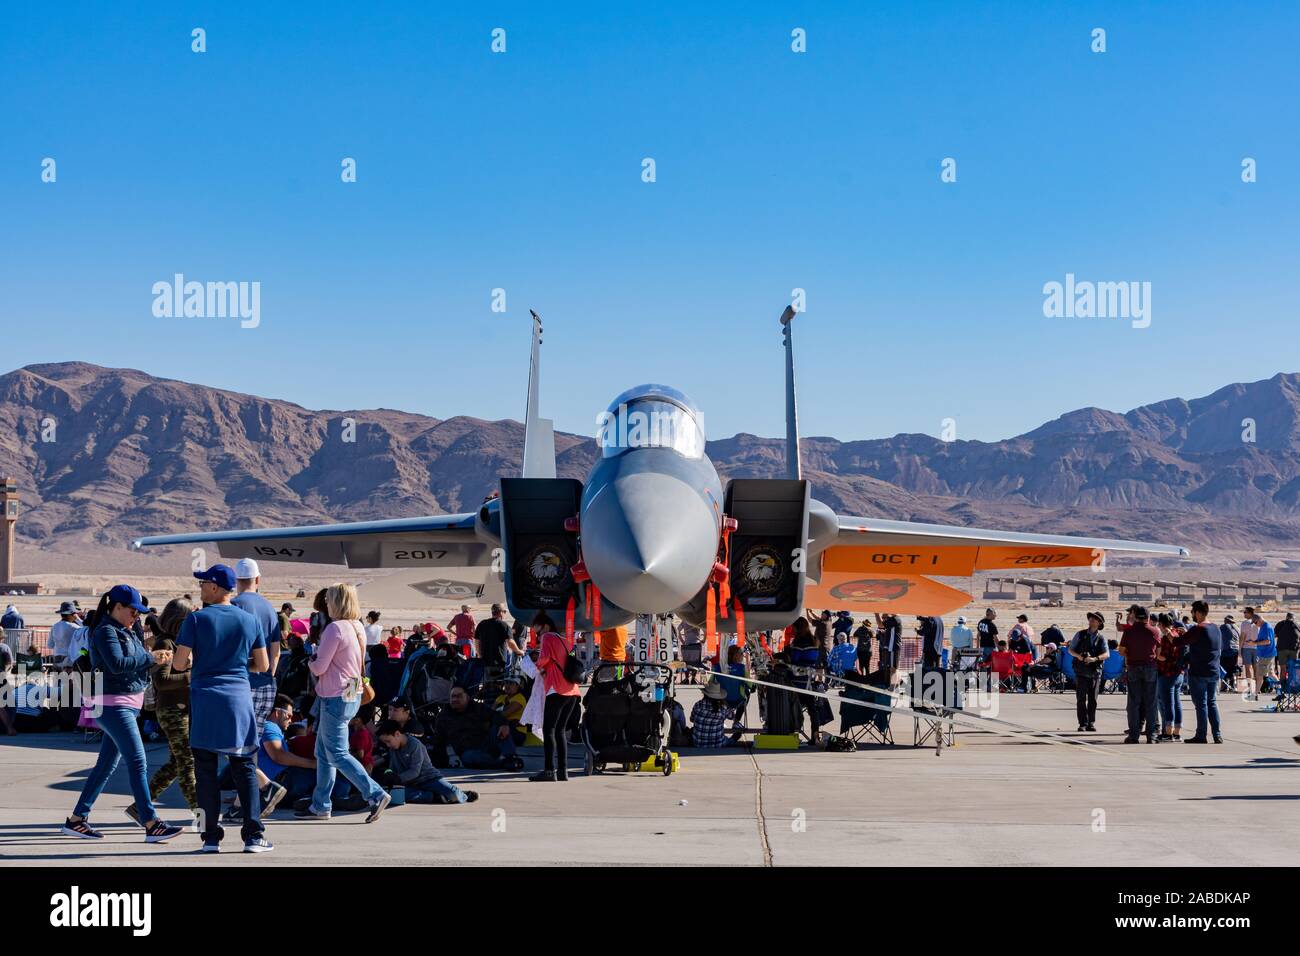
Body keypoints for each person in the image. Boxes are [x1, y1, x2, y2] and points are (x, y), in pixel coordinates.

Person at [61, 585, 184, 843]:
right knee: (138, 760)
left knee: (106, 764)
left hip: (122, 703)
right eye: (132, 611)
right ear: (116, 607)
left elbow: (136, 662)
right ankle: (151, 822)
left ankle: (77, 820)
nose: (136, 616)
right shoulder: (106, 631)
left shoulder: (125, 631)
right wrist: (151, 658)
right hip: (112, 705)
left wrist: (155, 656)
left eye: (138, 612)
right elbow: (117, 665)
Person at [172, 564, 273, 853]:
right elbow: (264, 666)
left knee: (204, 770)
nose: (200, 588)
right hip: (238, 700)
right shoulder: (249, 620)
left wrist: (200, 664)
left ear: (215, 587)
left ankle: (210, 838)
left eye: (204, 583)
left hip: (205, 700)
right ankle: (253, 835)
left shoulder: (195, 620)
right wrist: (239, 666)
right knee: (244, 767)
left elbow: (179, 664)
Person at [295, 583, 391, 823]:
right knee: (324, 752)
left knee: (336, 753)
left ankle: (375, 794)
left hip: (334, 695)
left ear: (336, 602)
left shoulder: (334, 629)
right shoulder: (357, 626)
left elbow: (319, 666)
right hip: (351, 693)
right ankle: (321, 805)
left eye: (328, 600)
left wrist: (311, 659)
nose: (326, 604)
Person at [130, 597, 199, 820]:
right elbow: (162, 680)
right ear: (181, 620)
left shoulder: (177, 643)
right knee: (187, 761)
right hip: (172, 711)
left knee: (175, 764)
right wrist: (193, 676)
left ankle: (140, 806)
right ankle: (200, 812)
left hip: (181, 709)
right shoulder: (165, 645)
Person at [231, 558, 288, 816]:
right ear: (258, 580)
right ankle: (243, 803)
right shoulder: (269, 608)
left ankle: (264, 786)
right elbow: (275, 652)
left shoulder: (233, 605)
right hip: (266, 684)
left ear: (235, 582)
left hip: (241, 684)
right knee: (249, 745)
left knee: (233, 744)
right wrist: (268, 675)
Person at [375, 720, 476, 804]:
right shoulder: (393, 748)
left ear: (397, 734)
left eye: (388, 741)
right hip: (409, 783)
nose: (388, 745)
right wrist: (388, 773)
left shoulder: (415, 745)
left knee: (452, 794)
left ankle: (463, 794)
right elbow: (392, 768)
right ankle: (434, 797)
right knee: (397, 794)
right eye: (385, 742)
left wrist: (398, 778)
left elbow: (415, 771)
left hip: (429, 779)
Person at [430, 685, 524, 770]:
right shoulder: (444, 716)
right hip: (468, 752)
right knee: (469, 758)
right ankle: (504, 763)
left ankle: (512, 758)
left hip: (487, 745)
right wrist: (440, 762)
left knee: (499, 726)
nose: (455, 699)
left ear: (467, 697)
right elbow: (439, 741)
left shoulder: (477, 707)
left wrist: (504, 724)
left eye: (459, 696)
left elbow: (495, 715)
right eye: (452, 697)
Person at [530, 620, 579, 782]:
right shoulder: (565, 640)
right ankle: (563, 771)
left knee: (549, 730)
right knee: (560, 731)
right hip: (572, 690)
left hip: (556, 688)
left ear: (545, 625)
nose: (536, 633)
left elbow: (543, 659)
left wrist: (536, 663)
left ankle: (549, 770)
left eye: (537, 629)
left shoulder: (547, 637)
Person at [257, 694, 318, 803]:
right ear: (277, 712)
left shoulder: (264, 726)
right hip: (282, 781)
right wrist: (313, 764)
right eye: (289, 716)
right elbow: (279, 755)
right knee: (334, 780)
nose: (291, 720)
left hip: (275, 784)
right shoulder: (270, 726)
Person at [1178, 601, 1223, 744]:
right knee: (1212, 703)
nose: (1192, 614)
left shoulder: (1198, 629)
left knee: (1201, 704)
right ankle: (1217, 734)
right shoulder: (1216, 628)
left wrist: (1168, 633)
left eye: (1192, 612)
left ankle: (1201, 735)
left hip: (1199, 672)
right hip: (1213, 671)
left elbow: (1178, 642)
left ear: (1197, 612)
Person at [1116, 605, 1160, 744]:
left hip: (1134, 667)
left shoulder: (1129, 632)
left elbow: (1121, 651)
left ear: (1136, 617)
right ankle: (1151, 735)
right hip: (1150, 667)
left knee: (1134, 702)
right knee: (1151, 703)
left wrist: (1130, 653)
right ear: (1147, 617)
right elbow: (1159, 653)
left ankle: (1134, 735)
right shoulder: (1154, 631)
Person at [1068, 612, 1108, 732]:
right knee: (1081, 699)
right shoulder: (1080, 634)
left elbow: (1107, 654)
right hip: (1081, 671)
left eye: (1095, 619)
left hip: (1095, 672)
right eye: (1091, 618)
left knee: (1093, 699)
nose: (1091, 620)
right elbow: (1070, 649)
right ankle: (1082, 723)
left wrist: (1094, 659)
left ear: (1099, 623)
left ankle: (1091, 722)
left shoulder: (1101, 638)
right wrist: (1079, 657)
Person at [1153, 613, 1185, 741]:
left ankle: (1168, 732)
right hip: (1178, 673)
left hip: (1167, 673)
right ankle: (1177, 732)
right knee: (1177, 703)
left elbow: (1163, 657)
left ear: (1161, 624)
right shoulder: (1178, 633)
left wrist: (1155, 654)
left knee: (1168, 703)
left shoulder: (1166, 638)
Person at [475, 603, 522, 675]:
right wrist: (518, 651)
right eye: (505, 612)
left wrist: (480, 655)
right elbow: (510, 642)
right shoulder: (504, 625)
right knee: (498, 683)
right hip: (498, 661)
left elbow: (477, 641)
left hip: (485, 661)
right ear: (501, 612)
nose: (505, 614)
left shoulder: (482, 624)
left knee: (486, 683)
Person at [690, 679, 732, 747]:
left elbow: (692, 719)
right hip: (718, 744)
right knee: (731, 739)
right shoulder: (723, 708)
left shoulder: (698, 705)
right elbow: (732, 716)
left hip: (697, 743)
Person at [1249, 611, 1277, 695]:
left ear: (1260, 619)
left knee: (1259, 674)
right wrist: (1254, 641)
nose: (1255, 624)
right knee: (1271, 674)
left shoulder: (1266, 627)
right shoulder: (1263, 626)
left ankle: (1255, 694)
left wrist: (1255, 643)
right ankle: (1281, 690)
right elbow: (1264, 639)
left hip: (1266, 654)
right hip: (1268, 653)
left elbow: (1267, 641)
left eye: (1256, 622)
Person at [1275, 612, 1299, 697]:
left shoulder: (1281, 623)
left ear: (1286, 617)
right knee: (1292, 670)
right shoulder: (1297, 624)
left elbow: (1274, 635)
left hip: (1282, 650)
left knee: (1283, 669)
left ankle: (1282, 689)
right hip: (1294, 650)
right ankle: (1292, 688)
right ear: (1293, 618)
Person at [1238, 608, 1259, 699]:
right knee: (1256, 668)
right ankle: (1257, 689)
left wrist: (1240, 648)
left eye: (1245, 612)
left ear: (1250, 613)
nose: (1244, 614)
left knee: (1248, 668)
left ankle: (1250, 688)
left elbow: (1242, 636)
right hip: (1257, 647)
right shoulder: (1258, 622)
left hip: (1247, 647)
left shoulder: (1245, 623)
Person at [1220, 614, 1241, 690]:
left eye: (1225, 620)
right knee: (1232, 668)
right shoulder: (1237, 628)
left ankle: (1224, 686)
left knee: (1223, 669)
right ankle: (1232, 685)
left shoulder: (1224, 627)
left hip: (1226, 650)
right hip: (1235, 650)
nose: (1224, 621)